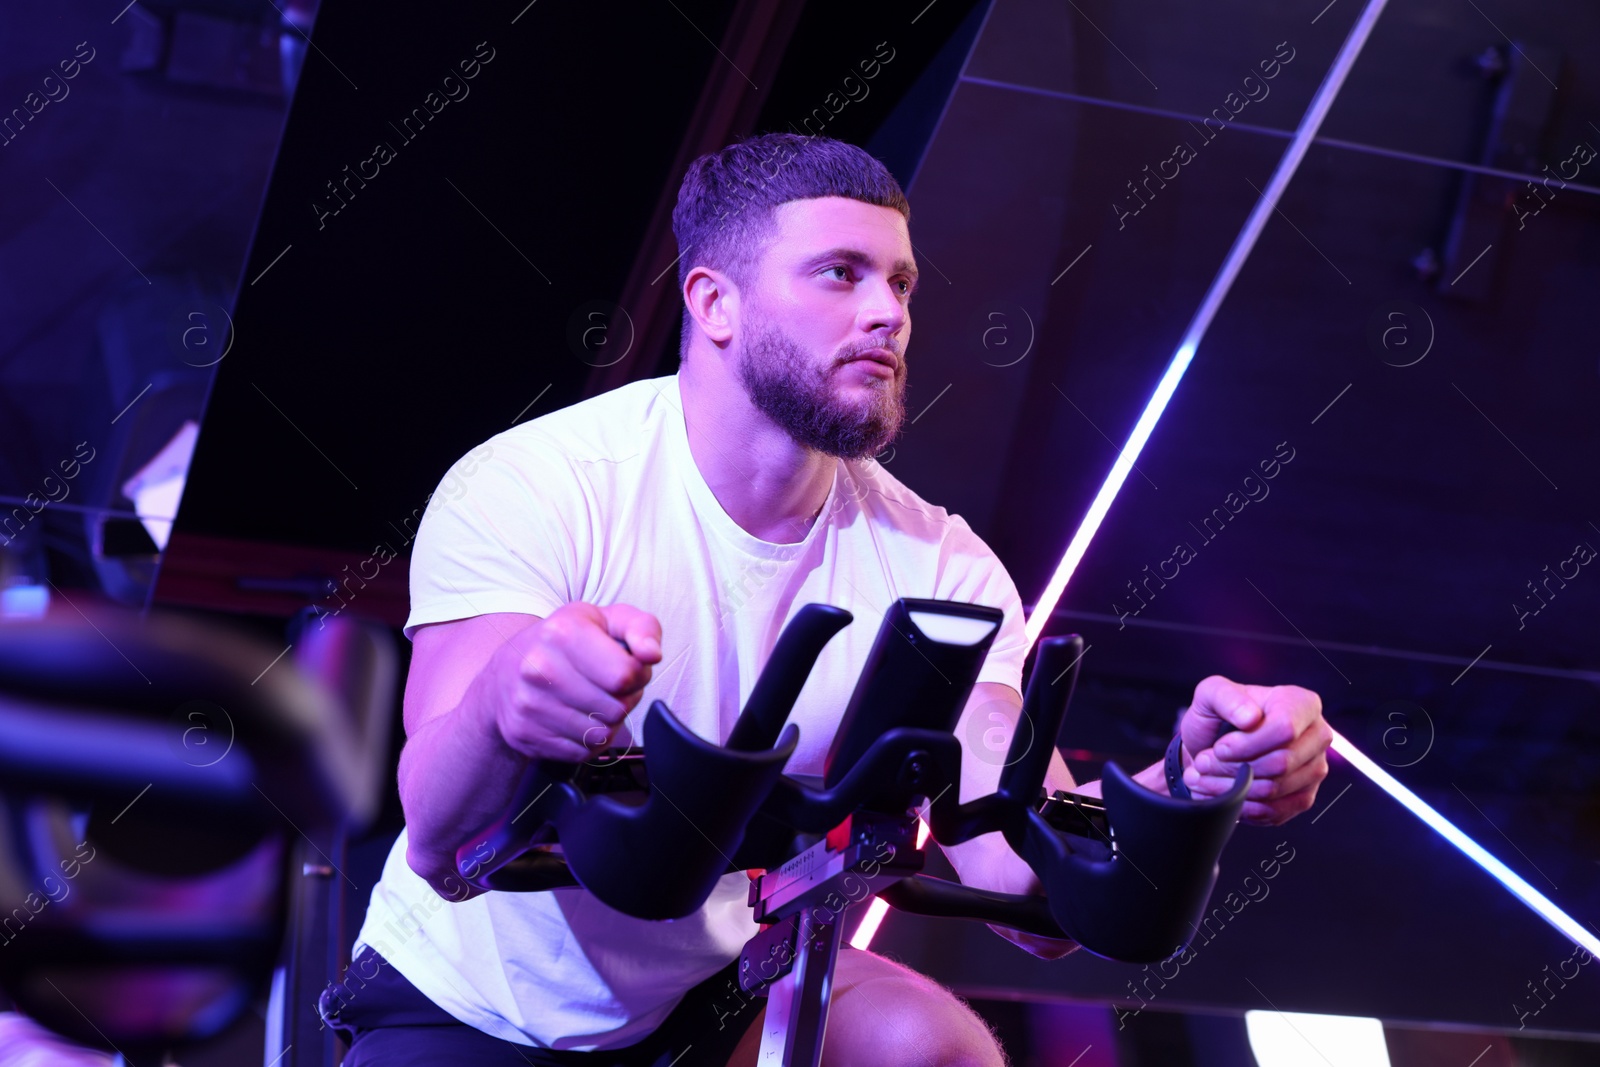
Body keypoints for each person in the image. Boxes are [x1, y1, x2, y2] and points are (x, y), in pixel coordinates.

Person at [328, 133, 1332, 1067]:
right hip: (472, 998)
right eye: (840, 274)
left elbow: (1014, 874)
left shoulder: (936, 559)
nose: (889, 311)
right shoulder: (541, 483)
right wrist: (510, 696)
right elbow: (439, 838)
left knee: (940, 1047)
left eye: (898, 280)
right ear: (715, 304)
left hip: (699, 987)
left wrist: (1193, 783)